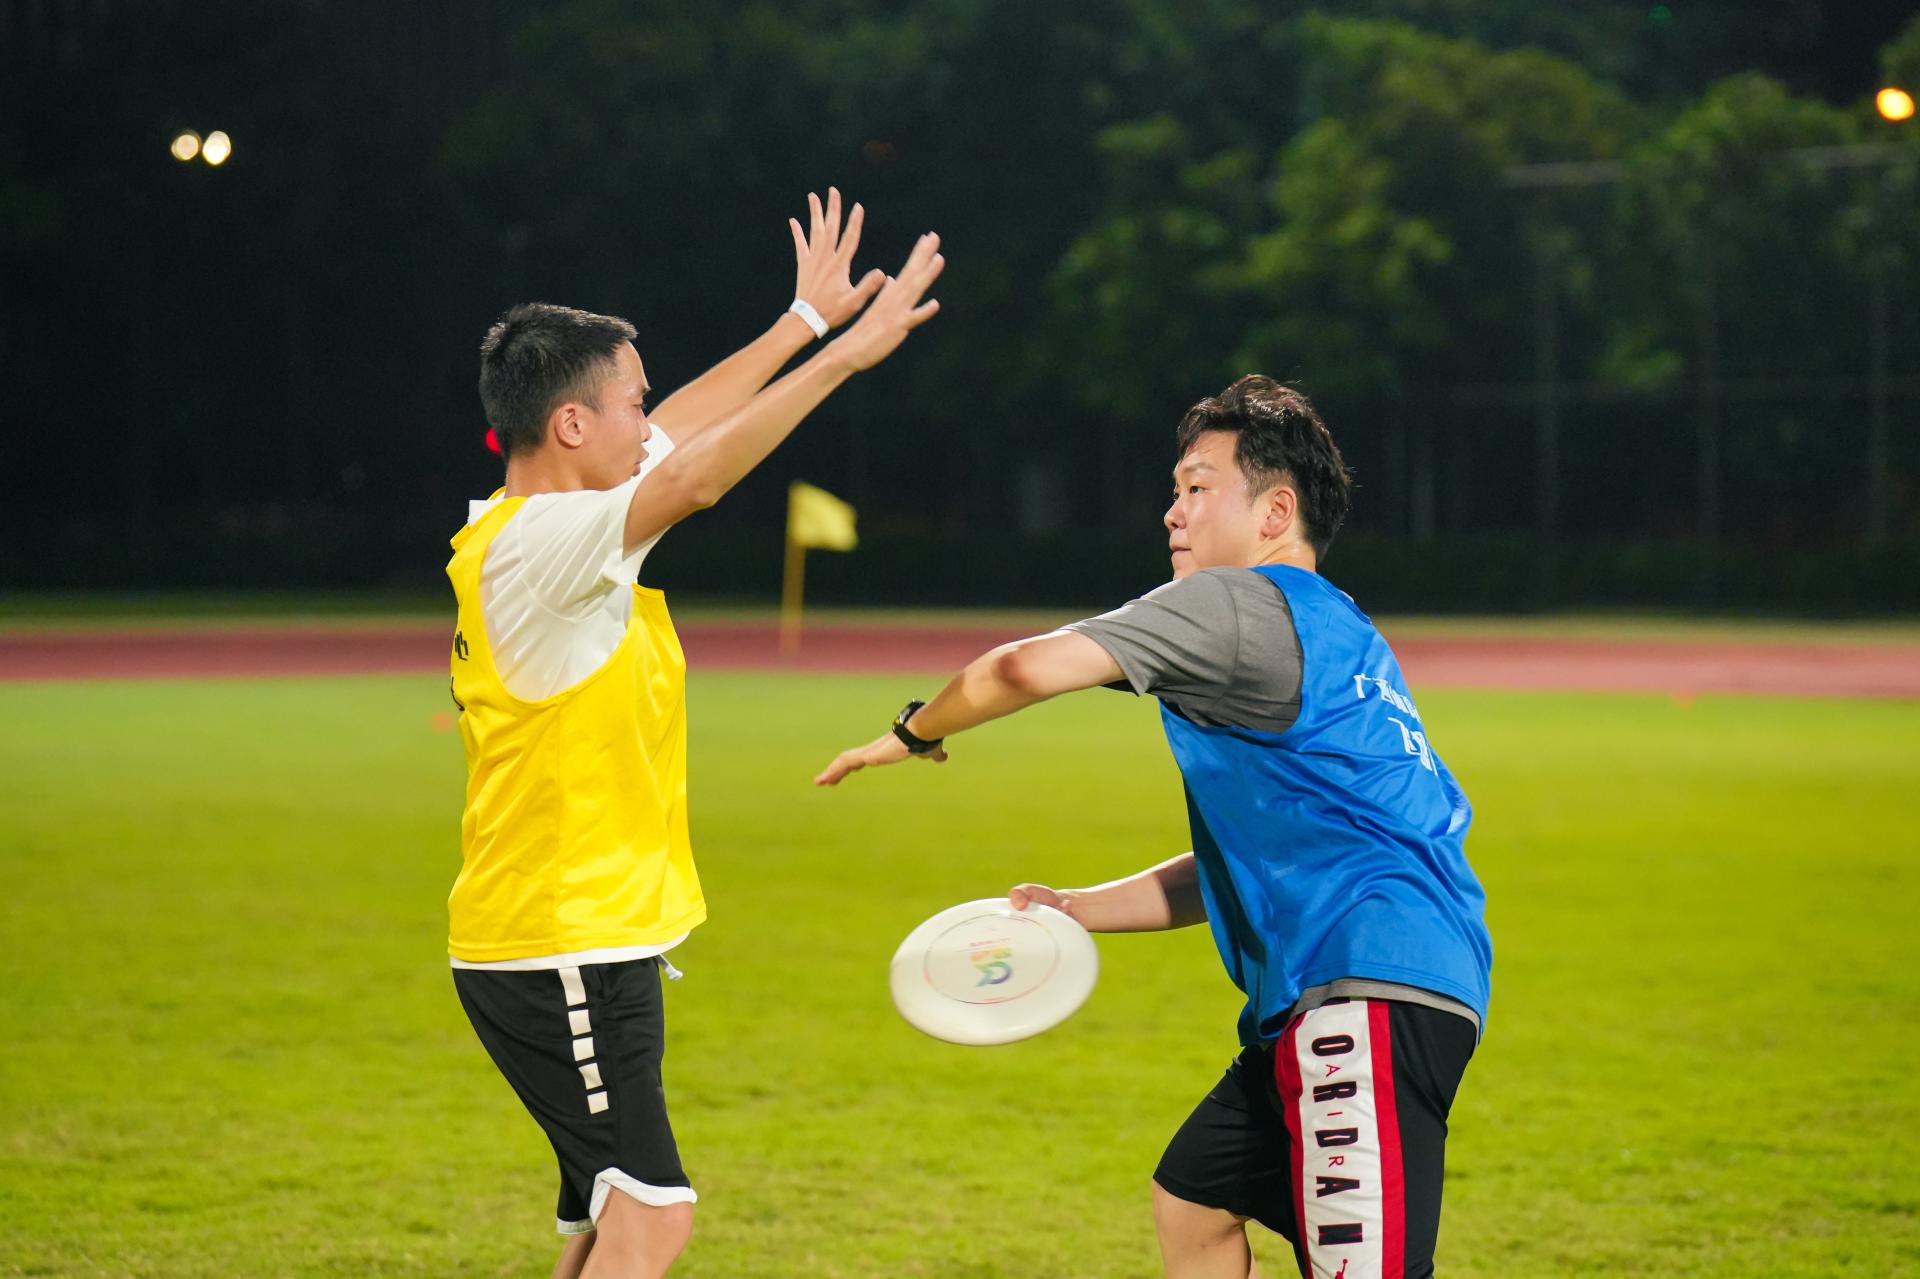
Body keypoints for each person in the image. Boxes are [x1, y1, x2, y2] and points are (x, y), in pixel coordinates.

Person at [815, 375, 1492, 1279]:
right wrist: (1076, 909)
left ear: (1275, 512)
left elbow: (1019, 670)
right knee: (1195, 1199)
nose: (1172, 512)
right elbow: (1256, 860)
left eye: (1198, 486)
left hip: (1361, 991)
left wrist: (913, 731)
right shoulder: (1343, 629)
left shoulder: (1235, 603)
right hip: (1371, 979)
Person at [447, 190, 943, 1279]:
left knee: (608, 1218)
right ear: (570, 426)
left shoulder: (537, 528)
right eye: (631, 403)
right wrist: (845, 359)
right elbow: (695, 472)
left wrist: (799, 324)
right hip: (560, 939)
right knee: (652, 1215)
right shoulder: (545, 545)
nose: (649, 420)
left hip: (578, 933)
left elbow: (676, 438)